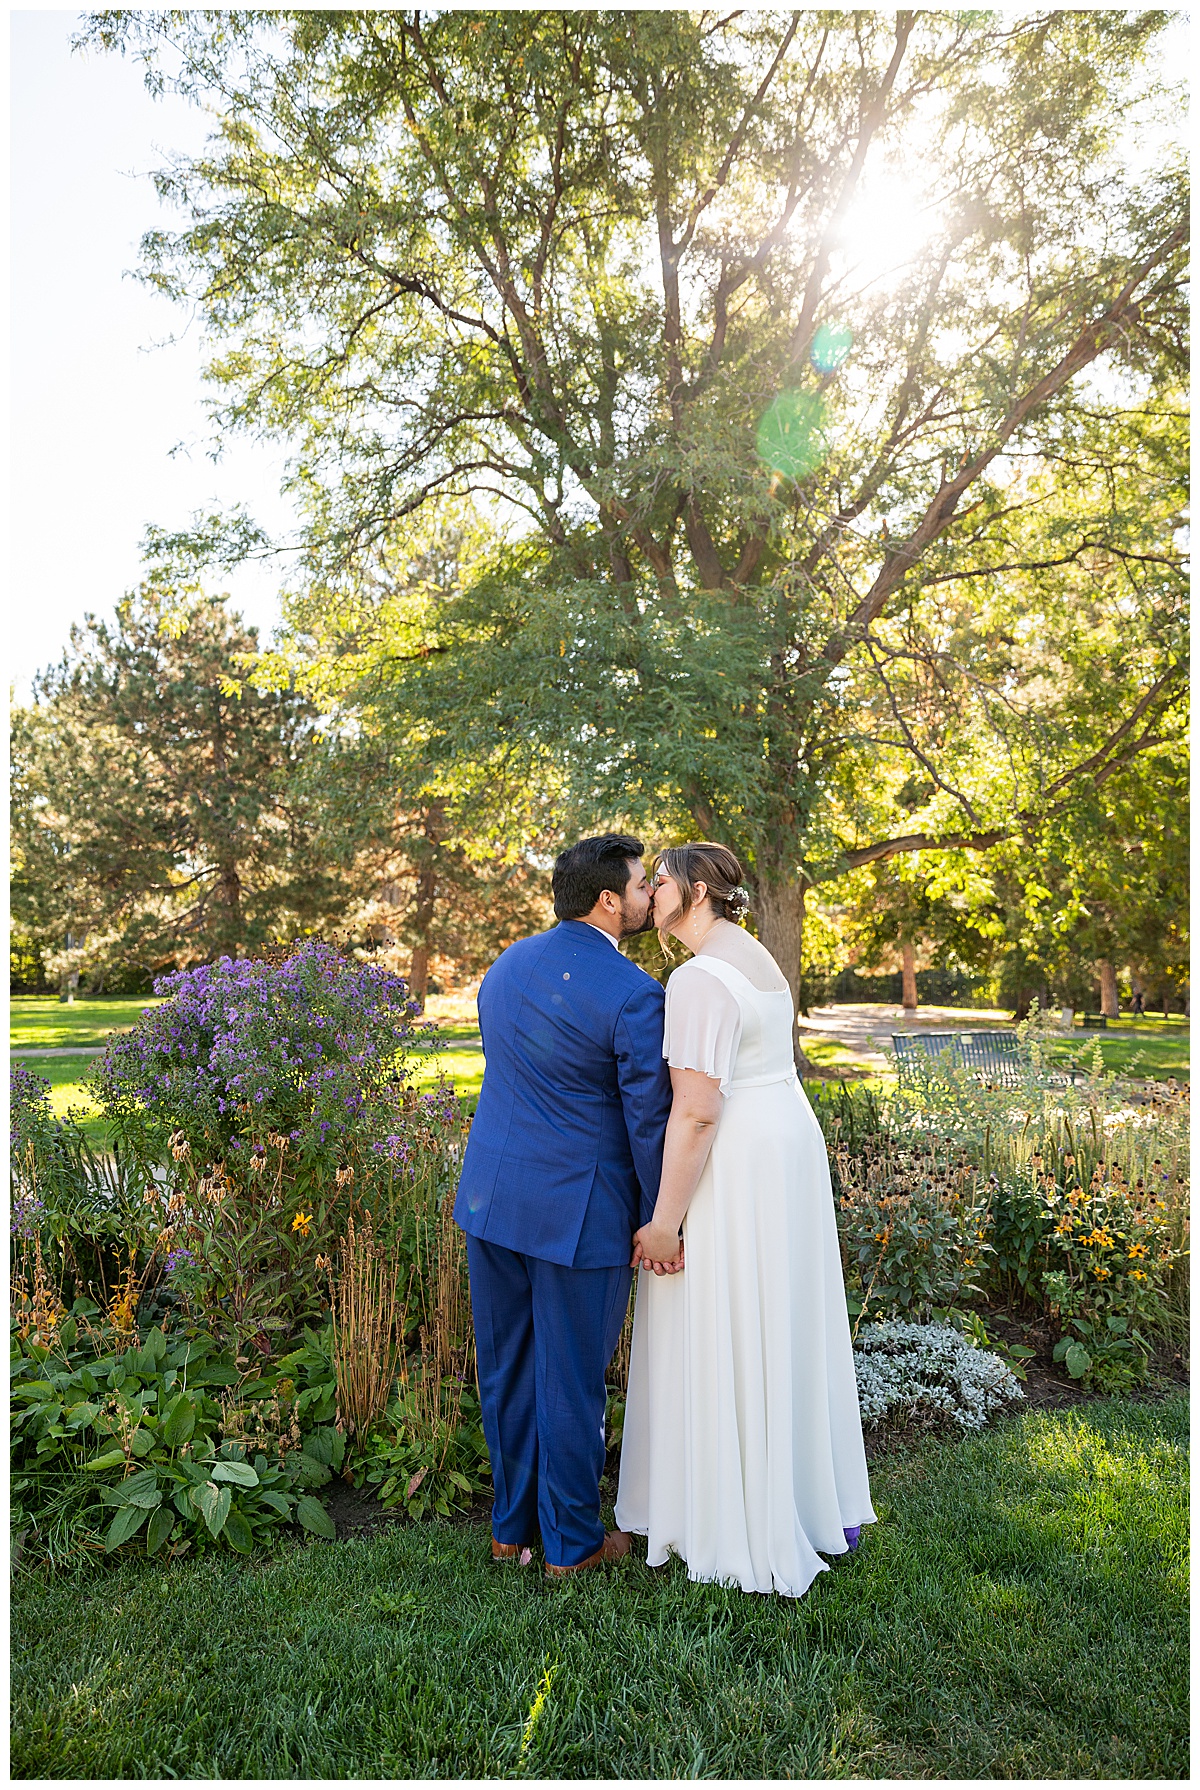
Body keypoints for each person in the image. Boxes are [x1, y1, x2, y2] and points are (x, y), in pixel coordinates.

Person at [615, 842, 875, 1597]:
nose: (649, 894)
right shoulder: (755, 955)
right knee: (775, 1317)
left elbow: (696, 1114)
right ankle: (793, 1494)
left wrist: (664, 1223)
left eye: (658, 881)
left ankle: (730, 1518)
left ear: (695, 890)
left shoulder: (698, 977)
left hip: (738, 1160)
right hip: (784, 1145)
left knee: (727, 1314)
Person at [454, 834, 673, 1577]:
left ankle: (510, 1531)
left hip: (491, 1200)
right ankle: (573, 1544)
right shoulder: (637, 996)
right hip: (579, 1214)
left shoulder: (509, 963)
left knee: (506, 1368)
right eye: (643, 885)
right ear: (610, 900)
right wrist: (657, 1216)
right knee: (572, 1381)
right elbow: (648, 1122)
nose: (650, 895)